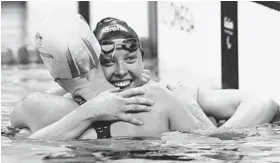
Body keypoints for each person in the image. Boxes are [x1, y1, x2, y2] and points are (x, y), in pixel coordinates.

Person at [11, 14, 279, 140]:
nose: (122, 71)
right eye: (108, 62)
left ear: (143, 58)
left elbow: (264, 104)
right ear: (92, 62)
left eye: (130, 59)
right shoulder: (161, 100)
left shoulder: (168, 92)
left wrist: (190, 103)